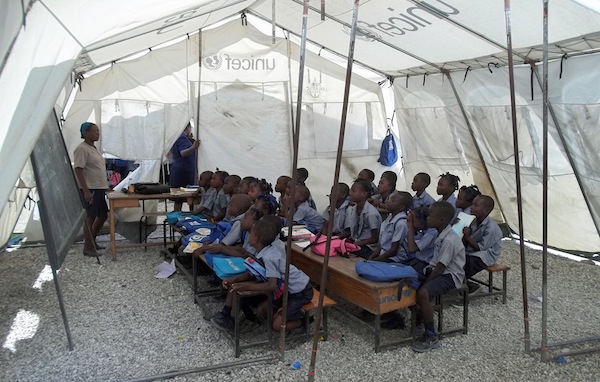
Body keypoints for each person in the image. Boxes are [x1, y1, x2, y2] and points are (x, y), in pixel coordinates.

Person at [211, 215, 313, 333]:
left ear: (256, 239)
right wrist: (234, 279)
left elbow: (271, 285)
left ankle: (304, 321)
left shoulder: (270, 257)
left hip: (300, 292)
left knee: (277, 326)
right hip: (284, 289)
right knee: (261, 309)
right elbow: (253, 273)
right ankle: (228, 317)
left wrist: (246, 286)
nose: (248, 235)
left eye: (251, 233)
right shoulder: (263, 251)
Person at [411, 201, 465, 353]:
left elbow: (441, 267)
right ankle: (420, 318)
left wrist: (427, 282)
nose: (427, 218)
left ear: (441, 219)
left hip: (450, 275)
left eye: (430, 216)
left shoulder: (449, 239)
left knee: (423, 292)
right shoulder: (441, 234)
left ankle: (431, 335)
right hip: (437, 270)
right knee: (409, 279)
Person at [74, 122, 109, 257]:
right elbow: (78, 169)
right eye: (95, 131)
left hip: (98, 188)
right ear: (86, 133)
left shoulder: (92, 148)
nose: (98, 134)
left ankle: (92, 242)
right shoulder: (82, 149)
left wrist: (105, 187)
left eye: (98, 131)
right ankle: (88, 248)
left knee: (102, 216)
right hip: (90, 188)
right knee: (91, 217)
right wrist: (86, 190)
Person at [462, 195, 503, 289]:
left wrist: (467, 237)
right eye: (472, 204)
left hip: (487, 254)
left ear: (485, 210)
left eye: (476, 205)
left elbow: (481, 248)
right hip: (473, 251)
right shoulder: (473, 221)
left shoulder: (491, 228)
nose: (472, 207)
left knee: (468, 263)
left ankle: (468, 287)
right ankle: (462, 283)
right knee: (456, 258)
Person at [340, 179, 382, 259]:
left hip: (368, 248)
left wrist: (357, 243)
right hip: (358, 242)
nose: (350, 193)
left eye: (353, 191)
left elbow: (374, 238)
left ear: (364, 194)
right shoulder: (353, 209)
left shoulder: (371, 214)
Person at [369, 191, 412, 262]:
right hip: (383, 255)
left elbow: (393, 250)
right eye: (389, 199)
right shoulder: (389, 218)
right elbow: (381, 245)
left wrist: (375, 260)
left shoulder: (401, 223)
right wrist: (371, 258)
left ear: (401, 207)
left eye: (393, 200)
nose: (388, 202)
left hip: (395, 259)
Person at [169, 123, 200, 211]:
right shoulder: (182, 137)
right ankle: (191, 214)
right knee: (188, 196)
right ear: (187, 128)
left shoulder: (177, 137)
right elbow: (183, 153)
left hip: (180, 169)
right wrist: (193, 147)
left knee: (179, 198)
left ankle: (176, 216)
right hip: (184, 171)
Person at [402, 206, 437, 274]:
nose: (411, 222)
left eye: (414, 221)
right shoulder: (424, 231)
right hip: (416, 260)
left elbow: (412, 249)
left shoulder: (432, 233)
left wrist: (411, 227)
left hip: (424, 264)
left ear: (422, 221)